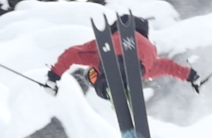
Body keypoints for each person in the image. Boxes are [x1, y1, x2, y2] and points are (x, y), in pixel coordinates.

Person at [45, 16, 200, 98]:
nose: (93, 76)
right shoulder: (147, 61)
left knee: (105, 78)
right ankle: (124, 85)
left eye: (92, 75)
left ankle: (110, 86)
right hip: (145, 56)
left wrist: (53, 77)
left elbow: (73, 53)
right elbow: (167, 66)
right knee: (133, 71)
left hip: (113, 51)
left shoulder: (101, 47)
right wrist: (190, 75)